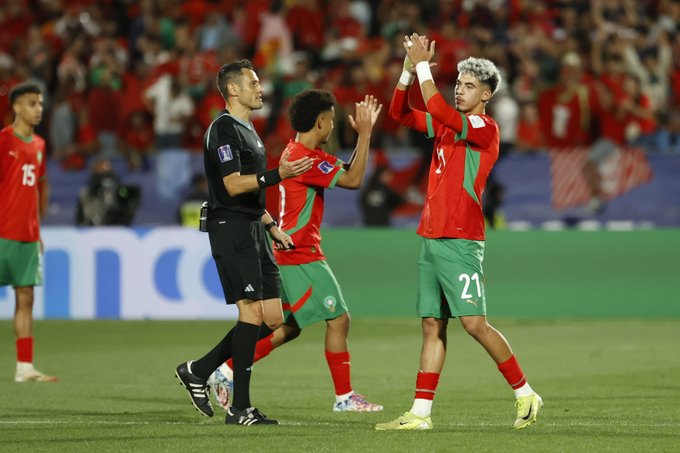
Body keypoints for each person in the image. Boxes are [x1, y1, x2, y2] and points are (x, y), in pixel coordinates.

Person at [375, 34, 542, 431]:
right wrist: (404, 74)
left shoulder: (484, 127)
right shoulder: (448, 126)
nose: (459, 91)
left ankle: (525, 394)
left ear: (486, 95)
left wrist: (421, 67)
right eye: (458, 84)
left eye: (469, 86)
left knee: (475, 325)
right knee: (432, 324)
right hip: (431, 236)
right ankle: (420, 414)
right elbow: (400, 113)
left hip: (462, 240)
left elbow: (434, 105)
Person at [208, 89, 384, 413]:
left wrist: (360, 139)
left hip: (289, 250)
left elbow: (347, 170)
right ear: (320, 121)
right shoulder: (307, 159)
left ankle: (226, 369)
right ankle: (344, 397)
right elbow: (355, 178)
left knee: (287, 328)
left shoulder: (301, 152)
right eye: (331, 120)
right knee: (339, 318)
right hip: (300, 252)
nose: (332, 126)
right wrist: (367, 133)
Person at [174, 59, 314, 426]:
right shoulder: (223, 130)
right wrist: (277, 174)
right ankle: (240, 408)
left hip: (254, 227)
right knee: (250, 314)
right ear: (233, 89)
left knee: (272, 318)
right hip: (231, 228)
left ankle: (198, 369)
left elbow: (250, 192)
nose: (260, 88)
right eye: (253, 83)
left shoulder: (248, 130)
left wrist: (270, 225)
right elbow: (234, 185)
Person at [0, 82, 57, 383]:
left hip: (27, 236)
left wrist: (37, 230)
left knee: (26, 298)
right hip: (1, 233)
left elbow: (37, 188)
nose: (39, 109)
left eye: (40, 104)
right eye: (32, 104)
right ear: (17, 107)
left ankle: (24, 367)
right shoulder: (3, 140)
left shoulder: (38, 145)